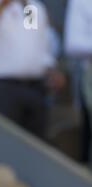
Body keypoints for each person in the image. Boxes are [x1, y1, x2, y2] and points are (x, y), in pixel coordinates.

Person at [0, 0, 65, 140]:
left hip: (34, 87)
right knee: (1, 141)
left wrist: (51, 69)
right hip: (3, 88)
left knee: (35, 144)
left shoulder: (30, 7)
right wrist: (1, 5)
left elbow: (35, 42)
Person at [65, 0, 92, 165]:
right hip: (4, 83)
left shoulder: (32, 6)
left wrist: (45, 65)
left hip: (35, 83)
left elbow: (33, 38)